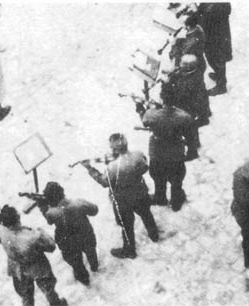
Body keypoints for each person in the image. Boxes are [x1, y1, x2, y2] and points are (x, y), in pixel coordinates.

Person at [81, 133, 159, 259]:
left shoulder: (112, 167)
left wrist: (90, 168)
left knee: (126, 225)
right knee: (146, 214)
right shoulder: (138, 155)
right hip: (140, 193)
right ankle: (154, 234)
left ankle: (130, 250)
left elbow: (104, 182)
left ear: (114, 149)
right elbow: (144, 168)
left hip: (122, 200)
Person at [137, 82, 199, 210]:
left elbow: (145, 122)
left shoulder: (151, 114)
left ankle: (160, 198)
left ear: (162, 98)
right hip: (176, 150)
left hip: (157, 151)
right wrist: (191, 151)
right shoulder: (184, 116)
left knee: (158, 177)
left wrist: (141, 110)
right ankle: (176, 201)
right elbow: (190, 135)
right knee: (177, 179)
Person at [0, 205, 67, 306]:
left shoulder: (1, 231)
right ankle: (56, 304)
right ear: (17, 218)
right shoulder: (32, 237)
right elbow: (51, 246)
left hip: (18, 268)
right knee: (48, 289)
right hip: (37, 266)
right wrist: (41, 232)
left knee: (26, 295)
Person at [37, 182, 99, 286]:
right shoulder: (78, 202)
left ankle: (84, 278)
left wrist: (43, 208)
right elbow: (94, 210)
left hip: (68, 240)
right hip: (85, 233)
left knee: (75, 261)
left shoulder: (52, 212)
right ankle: (94, 265)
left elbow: (49, 221)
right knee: (90, 250)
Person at [194, 3, 232, 96]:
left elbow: (210, 15)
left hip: (218, 37)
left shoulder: (219, 7)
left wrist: (198, 18)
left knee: (218, 59)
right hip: (211, 34)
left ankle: (221, 85)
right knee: (210, 56)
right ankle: (218, 75)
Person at [171, 54, 211, 127]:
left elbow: (181, 94)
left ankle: (201, 120)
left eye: (181, 63)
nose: (179, 65)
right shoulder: (192, 72)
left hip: (193, 104)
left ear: (188, 67)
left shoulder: (192, 81)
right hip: (195, 100)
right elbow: (179, 74)